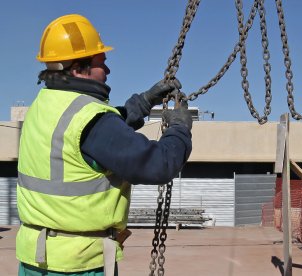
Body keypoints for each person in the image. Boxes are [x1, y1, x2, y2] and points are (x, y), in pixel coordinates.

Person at [16, 14, 193, 276]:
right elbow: (158, 165)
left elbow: (100, 135)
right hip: (77, 264)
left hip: (37, 259)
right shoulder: (89, 119)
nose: (107, 71)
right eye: (101, 63)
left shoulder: (43, 107)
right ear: (77, 68)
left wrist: (143, 102)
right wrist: (180, 129)